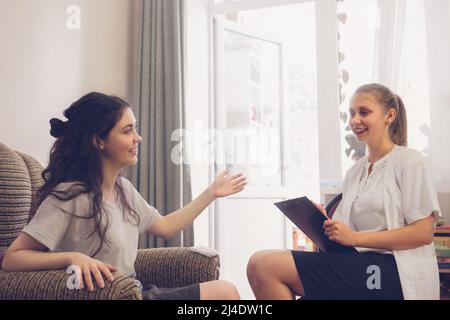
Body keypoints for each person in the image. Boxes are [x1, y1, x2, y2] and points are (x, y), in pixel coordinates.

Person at [2, 92, 247, 300]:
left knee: (225, 292)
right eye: (127, 130)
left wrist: (211, 193)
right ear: (98, 140)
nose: (137, 138)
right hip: (108, 293)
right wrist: (73, 258)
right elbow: (12, 259)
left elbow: (165, 227)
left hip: (135, 291)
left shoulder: (125, 190)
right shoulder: (69, 197)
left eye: (135, 129)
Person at [246, 83, 442, 300]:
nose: (355, 120)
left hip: (393, 270)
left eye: (364, 112)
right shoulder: (354, 171)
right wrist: (322, 222)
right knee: (258, 266)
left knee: (264, 265)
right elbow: (345, 236)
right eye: (351, 113)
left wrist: (355, 238)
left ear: (389, 116)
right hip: (357, 264)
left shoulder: (410, 161)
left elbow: (423, 233)